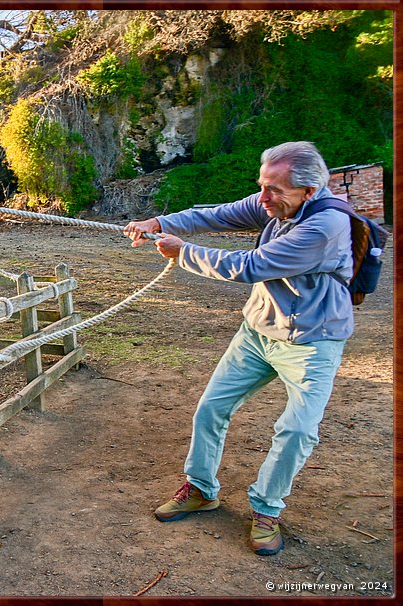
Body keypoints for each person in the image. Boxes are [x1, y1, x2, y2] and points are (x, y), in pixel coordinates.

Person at [124, 141, 353, 556]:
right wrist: (159, 221)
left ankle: (266, 509)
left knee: (298, 429)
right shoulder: (272, 200)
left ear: (310, 191)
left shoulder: (325, 227)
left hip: (312, 341)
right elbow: (217, 214)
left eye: (274, 191)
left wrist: (184, 252)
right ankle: (200, 488)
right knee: (211, 409)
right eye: (261, 187)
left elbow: (250, 266)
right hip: (257, 331)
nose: (263, 199)